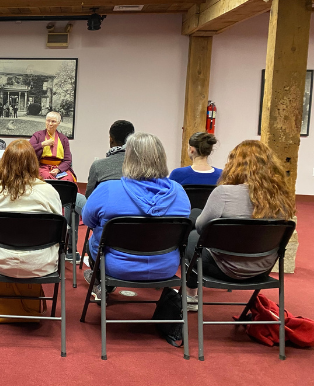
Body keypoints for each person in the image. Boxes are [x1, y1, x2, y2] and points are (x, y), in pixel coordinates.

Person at [184, 140, 296, 311]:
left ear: (235, 165)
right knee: (197, 216)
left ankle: (191, 296)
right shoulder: (281, 197)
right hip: (262, 269)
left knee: (192, 236)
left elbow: (201, 228)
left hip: (225, 268)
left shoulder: (224, 193)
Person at [81, 132, 190, 300]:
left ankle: (100, 284)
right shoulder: (179, 192)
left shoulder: (108, 188)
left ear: (128, 158)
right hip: (166, 268)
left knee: (93, 242)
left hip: (115, 267)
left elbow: (88, 221)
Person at [0, 139, 63, 278]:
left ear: (4, 163)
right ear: (34, 164)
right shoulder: (49, 192)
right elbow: (60, 232)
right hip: (41, 264)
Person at [68, 119, 134, 261]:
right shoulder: (141, 165)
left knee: (73, 197)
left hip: (105, 218)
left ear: (111, 139)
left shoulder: (99, 165)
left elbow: (90, 196)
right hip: (134, 222)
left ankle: (70, 249)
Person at [29, 111, 76, 182]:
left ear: (59, 122)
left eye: (53, 121)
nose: (50, 124)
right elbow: (28, 149)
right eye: (48, 121)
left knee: (68, 180)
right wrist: (43, 144)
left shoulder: (63, 139)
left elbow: (67, 160)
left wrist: (58, 169)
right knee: (48, 178)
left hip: (59, 168)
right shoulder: (37, 135)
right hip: (42, 167)